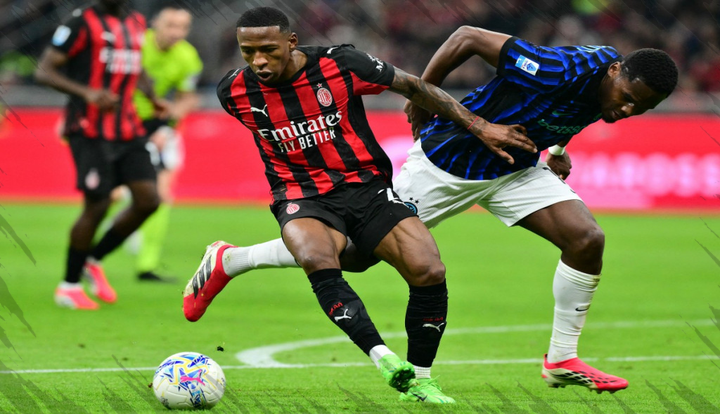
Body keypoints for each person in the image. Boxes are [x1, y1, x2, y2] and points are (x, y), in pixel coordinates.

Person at [183, 25, 679, 395]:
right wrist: (423, 93)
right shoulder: (557, 66)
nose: (628, 110)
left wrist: (556, 150)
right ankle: (231, 259)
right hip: (446, 163)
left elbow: (566, 108)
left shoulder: (609, 85)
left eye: (643, 108)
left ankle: (562, 359)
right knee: (354, 254)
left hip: (514, 166)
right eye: (628, 99)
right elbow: (468, 37)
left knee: (587, 239)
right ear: (615, 72)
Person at [182, 7, 536, 404]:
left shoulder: (341, 64)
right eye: (248, 52)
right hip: (300, 194)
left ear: (291, 42)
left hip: (366, 188)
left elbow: (413, 86)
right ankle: (383, 358)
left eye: (268, 50)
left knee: (428, 269)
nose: (258, 61)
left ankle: (421, 380)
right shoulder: (232, 91)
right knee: (318, 257)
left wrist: (479, 126)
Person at [35, 0, 167, 309]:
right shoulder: (81, 21)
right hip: (89, 129)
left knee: (149, 200)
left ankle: (92, 259)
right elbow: (44, 71)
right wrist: (87, 93)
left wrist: (151, 95)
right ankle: (68, 287)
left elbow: (135, 66)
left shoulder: (135, 22)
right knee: (99, 204)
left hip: (129, 127)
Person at [129, 4, 202, 282]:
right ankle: (103, 243)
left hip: (158, 124)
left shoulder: (188, 57)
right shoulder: (136, 45)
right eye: (171, 25)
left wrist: (167, 128)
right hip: (123, 121)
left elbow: (187, 98)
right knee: (110, 194)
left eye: (183, 27)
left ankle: (146, 265)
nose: (177, 32)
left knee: (162, 195)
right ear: (155, 24)